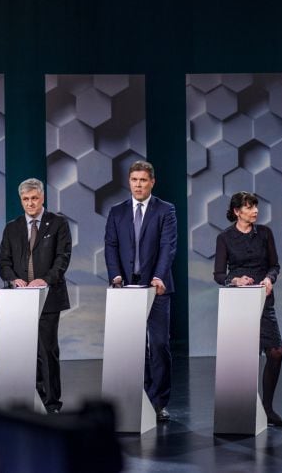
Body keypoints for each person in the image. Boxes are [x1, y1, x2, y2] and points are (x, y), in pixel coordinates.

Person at [104, 160, 177, 422]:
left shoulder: (165, 210)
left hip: (156, 288)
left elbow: (168, 246)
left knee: (158, 345)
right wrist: (115, 275)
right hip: (126, 288)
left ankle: (159, 402)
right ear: (129, 181)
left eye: (143, 180)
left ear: (152, 182)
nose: (138, 184)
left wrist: (158, 277)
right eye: (134, 180)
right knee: (134, 347)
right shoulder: (117, 211)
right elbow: (110, 246)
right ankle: (141, 396)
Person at [213, 191, 282, 427]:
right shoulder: (225, 237)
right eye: (249, 207)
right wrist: (234, 280)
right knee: (246, 357)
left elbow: (274, 265)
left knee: (275, 351)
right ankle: (245, 408)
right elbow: (218, 274)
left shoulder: (265, 233)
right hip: (238, 302)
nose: (255, 210)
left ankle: (267, 408)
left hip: (263, 298)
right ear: (237, 211)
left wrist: (269, 278)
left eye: (255, 206)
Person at [0, 178, 72, 413]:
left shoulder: (58, 223)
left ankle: (51, 403)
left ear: (43, 198)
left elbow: (63, 257)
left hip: (48, 296)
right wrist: (12, 279)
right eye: (26, 199)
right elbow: (4, 261)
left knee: (47, 349)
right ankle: (30, 398)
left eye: (34, 198)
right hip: (19, 298)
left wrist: (46, 280)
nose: (30, 203)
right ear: (21, 200)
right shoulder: (12, 227)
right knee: (24, 350)